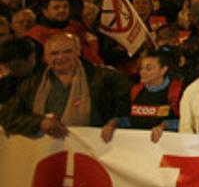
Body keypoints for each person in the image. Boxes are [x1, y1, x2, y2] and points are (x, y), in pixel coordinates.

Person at [0, 32, 129, 141]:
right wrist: (39, 122)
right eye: (54, 53)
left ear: (78, 52)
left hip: (94, 153)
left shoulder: (107, 78)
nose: (61, 57)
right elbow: (8, 115)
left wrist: (114, 122)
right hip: (46, 154)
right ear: (46, 57)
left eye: (67, 51)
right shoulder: (33, 83)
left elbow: (125, 109)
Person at [126, 48, 184, 142]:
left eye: (148, 68)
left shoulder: (177, 91)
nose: (142, 72)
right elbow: (126, 119)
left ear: (163, 70)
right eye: (141, 68)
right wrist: (113, 124)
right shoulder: (135, 91)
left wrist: (164, 125)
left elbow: (188, 122)